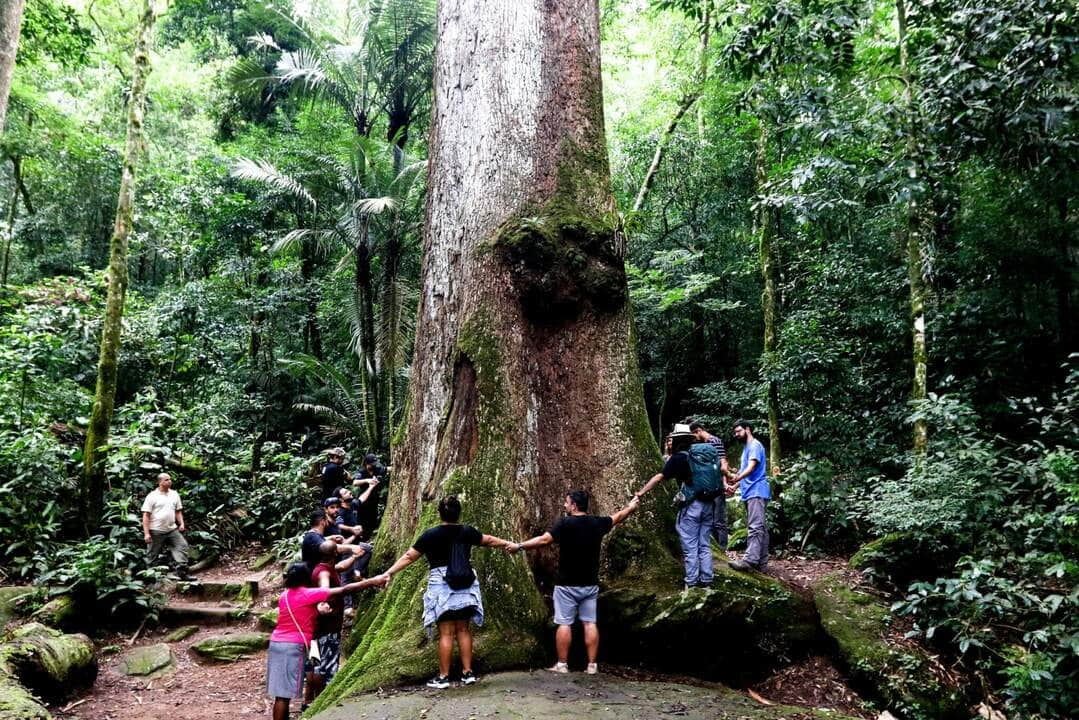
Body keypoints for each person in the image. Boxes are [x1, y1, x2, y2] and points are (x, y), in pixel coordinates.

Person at [373, 495, 514, 689]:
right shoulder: (467, 532)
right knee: (464, 629)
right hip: (465, 582)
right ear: (459, 513)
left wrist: (388, 573)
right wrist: (508, 544)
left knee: (446, 633)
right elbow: (488, 540)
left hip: (442, 585)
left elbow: (409, 556)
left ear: (439, 513)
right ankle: (468, 673)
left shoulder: (431, 535)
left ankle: (443, 676)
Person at [507, 490, 639, 674]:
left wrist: (519, 546)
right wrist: (632, 506)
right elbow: (619, 516)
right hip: (589, 584)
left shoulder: (565, 524)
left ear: (574, 506)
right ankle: (592, 665)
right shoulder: (597, 523)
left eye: (566, 502)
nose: (564, 505)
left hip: (566, 585)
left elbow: (544, 540)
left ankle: (562, 664)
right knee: (589, 623)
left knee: (564, 623)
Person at [266, 562, 385, 720]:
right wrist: (372, 581)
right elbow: (344, 590)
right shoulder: (308, 594)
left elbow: (299, 611)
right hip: (292, 646)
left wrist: (317, 610)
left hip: (276, 644)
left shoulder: (284, 597)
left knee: (281, 695)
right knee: (283, 696)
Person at [634, 423, 724, 589]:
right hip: (709, 504)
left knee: (690, 545)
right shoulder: (701, 453)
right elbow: (720, 469)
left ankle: (691, 582)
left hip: (692, 505)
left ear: (676, 440)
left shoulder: (679, 458)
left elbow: (659, 477)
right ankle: (707, 581)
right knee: (704, 544)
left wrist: (641, 492)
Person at [302, 541, 357, 706]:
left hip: (316, 628)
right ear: (334, 554)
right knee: (323, 667)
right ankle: (320, 702)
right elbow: (324, 587)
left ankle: (308, 702)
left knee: (313, 664)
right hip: (327, 630)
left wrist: (354, 556)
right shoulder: (324, 574)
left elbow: (340, 567)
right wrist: (322, 602)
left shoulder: (323, 568)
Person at [729, 420, 770, 572]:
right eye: (735, 432)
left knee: (755, 527)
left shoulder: (755, 446)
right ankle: (762, 564)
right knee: (761, 528)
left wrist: (736, 478)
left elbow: (751, 468)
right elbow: (743, 472)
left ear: (747, 429)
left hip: (757, 491)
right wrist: (734, 486)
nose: (737, 435)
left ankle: (750, 560)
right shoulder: (746, 448)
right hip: (750, 491)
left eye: (739, 431)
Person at [687, 419, 732, 551]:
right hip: (708, 487)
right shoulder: (704, 444)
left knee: (719, 520)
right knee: (710, 520)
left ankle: (723, 549)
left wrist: (724, 483)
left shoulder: (714, 442)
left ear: (699, 431)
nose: (694, 439)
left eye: (694, 435)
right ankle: (715, 548)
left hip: (717, 486)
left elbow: (723, 463)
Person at [141, 473, 191, 579]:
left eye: (170, 479)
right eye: (166, 480)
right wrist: (146, 533)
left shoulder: (174, 494)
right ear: (160, 482)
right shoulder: (152, 496)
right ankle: (151, 579)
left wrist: (181, 523)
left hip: (172, 529)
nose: (169, 481)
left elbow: (178, 511)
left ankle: (182, 573)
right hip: (156, 530)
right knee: (152, 555)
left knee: (182, 546)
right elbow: (146, 515)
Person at [301, 508, 367, 573]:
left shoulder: (313, 536)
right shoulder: (312, 536)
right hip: (313, 576)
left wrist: (331, 537)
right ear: (323, 522)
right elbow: (328, 548)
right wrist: (352, 548)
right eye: (327, 519)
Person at [352, 453, 388, 540]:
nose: (374, 465)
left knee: (372, 520)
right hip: (364, 500)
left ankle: (368, 537)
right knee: (363, 520)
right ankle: (361, 539)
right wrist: (367, 480)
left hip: (374, 499)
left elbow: (387, 469)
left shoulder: (378, 469)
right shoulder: (362, 472)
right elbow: (355, 482)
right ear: (367, 463)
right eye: (372, 464)